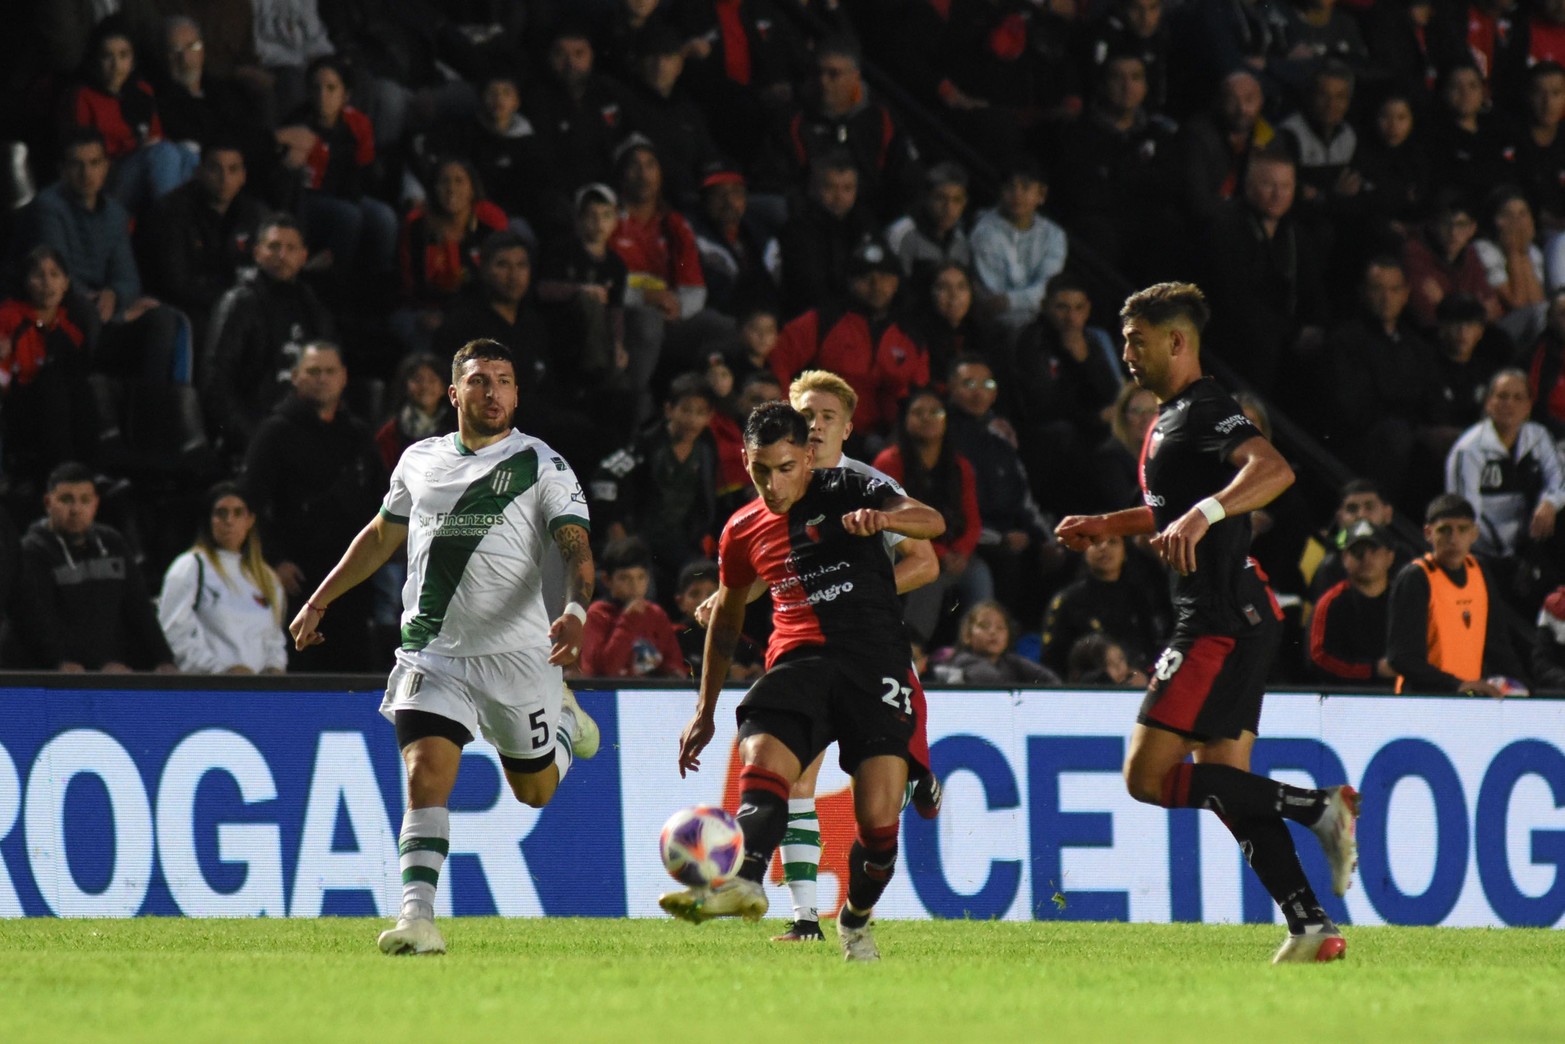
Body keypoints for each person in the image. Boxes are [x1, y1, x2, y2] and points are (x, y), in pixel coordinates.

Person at [1055, 282, 1360, 964]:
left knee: (1145, 776)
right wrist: (1110, 522)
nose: (1126, 353)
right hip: (1235, 613)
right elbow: (1170, 509)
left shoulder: (1206, 408)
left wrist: (1207, 513)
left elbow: (1272, 468)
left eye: (1136, 341)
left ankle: (1318, 809)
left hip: (1218, 619)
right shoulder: (1169, 419)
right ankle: (1308, 924)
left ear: (1176, 341)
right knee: (1224, 779)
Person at [288, 337, 601, 957]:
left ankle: (564, 722)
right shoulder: (418, 460)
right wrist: (321, 598)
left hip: (518, 657)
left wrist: (572, 610)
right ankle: (417, 917)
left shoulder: (542, 463)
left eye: (505, 381)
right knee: (425, 771)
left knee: (534, 792)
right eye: (480, 381)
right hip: (432, 651)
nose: (494, 392)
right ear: (455, 393)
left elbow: (575, 548)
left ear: (517, 392)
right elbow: (381, 536)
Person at [661, 400, 947, 964]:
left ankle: (855, 920)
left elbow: (933, 521)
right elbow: (727, 620)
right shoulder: (740, 531)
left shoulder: (848, 487)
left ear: (808, 458)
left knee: (878, 826)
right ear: (744, 460)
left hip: (874, 665)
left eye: (786, 468)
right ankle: (742, 880)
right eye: (760, 469)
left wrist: (886, 519)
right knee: (764, 761)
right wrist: (705, 708)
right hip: (800, 662)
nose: (773, 483)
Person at [242, 341, 385, 671]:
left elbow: (381, 500)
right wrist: (273, 560)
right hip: (298, 577)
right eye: (313, 371)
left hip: (352, 576)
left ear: (344, 377)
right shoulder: (274, 433)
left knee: (355, 668)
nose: (322, 379)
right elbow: (251, 501)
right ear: (295, 377)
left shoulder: (359, 434)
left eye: (330, 371)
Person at [1, 462, 177, 672]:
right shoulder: (33, 550)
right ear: (48, 503)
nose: (76, 509)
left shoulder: (113, 543)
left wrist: (164, 659)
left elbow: (140, 608)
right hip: (62, 674)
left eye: (84, 500)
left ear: (96, 503)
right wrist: (70, 663)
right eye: (66, 500)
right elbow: (41, 623)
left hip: (111, 672)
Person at [201, 213, 336, 457]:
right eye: (273, 247)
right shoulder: (238, 303)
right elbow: (216, 382)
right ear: (257, 253)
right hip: (252, 438)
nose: (281, 255)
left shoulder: (313, 308)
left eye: (290, 248)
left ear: (304, 256)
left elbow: (331, 379)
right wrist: (256, 441)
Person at [1386, 493, 1528, 695]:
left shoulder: (1479, 570)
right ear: (1428, 533)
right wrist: (1456, 684)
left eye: (1462, 530)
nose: (1454, 539)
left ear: (1474, 533)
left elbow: (1497, 643)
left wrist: (1523, 684)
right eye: (1444, 530)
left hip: (1465, 702)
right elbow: (1401, 657)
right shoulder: (1416, 578)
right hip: (1422, 701)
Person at [157, 481, 288, 674]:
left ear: (250, 520)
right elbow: (174, 633)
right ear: (209, 520)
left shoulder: (267, 578)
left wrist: (274, 668)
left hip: (259, 696)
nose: (229, 520)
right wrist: (220, 672)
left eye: (238, 513)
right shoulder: (190, 567)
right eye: (221, 513)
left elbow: (274, 639)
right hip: (209, 691)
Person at [969, 162, 1068, 333]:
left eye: (1026, 187)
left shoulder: (1054, 235)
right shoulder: (983, 231)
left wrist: (1011, 300)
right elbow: (994, 298)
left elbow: (1048, 286)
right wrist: (1015, 303)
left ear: (1041, 194)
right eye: (1010, 187)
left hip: (1041, 320)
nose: (1017, 195)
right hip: (997, 324)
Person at [579, 535, 688, 678]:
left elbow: (674, 665)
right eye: (625, 578)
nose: (634, 586)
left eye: (641, 577)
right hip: (608, 697)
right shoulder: (597, 614)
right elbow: (605, 671)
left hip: (648, 697)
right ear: (606, 580)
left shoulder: (656, 615)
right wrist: (629, 620)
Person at [1307, 520, 1397, 687]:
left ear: (1390, 557)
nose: (1366, 558)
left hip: (1401, 696)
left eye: (1374, 551)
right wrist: (1373, 670)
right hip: (1343, 697)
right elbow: (1319, 657)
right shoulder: (1330, 603)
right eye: (1357, 552)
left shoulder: (1403, 600)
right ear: (1344, 558)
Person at [939, 600, 1061, 686]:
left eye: (1000, 627)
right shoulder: (963, 661)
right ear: (967, 635)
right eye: (984, 626)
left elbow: (1050, 680)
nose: (993, 632)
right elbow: (991, 681)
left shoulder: (1012, 662)